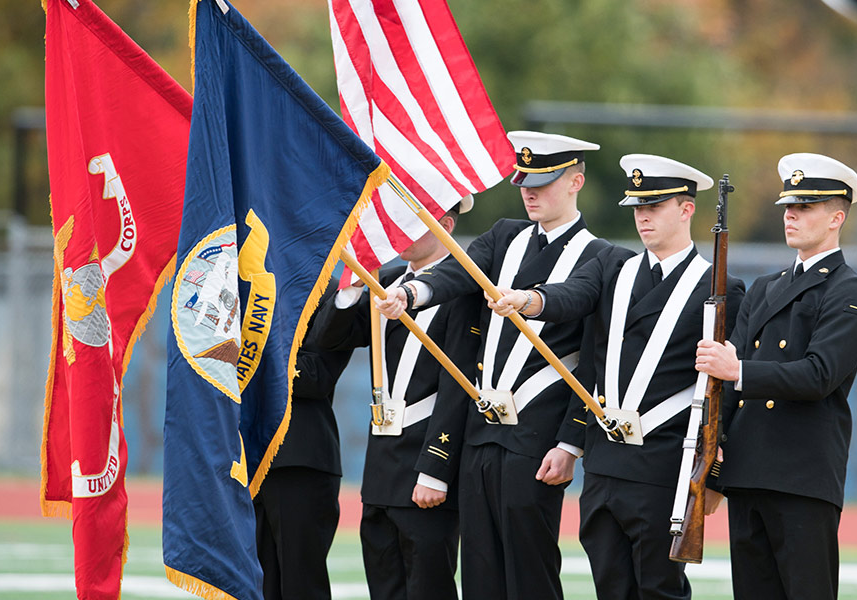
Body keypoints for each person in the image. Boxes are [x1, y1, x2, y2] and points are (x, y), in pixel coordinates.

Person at [490, 154, 745, 600]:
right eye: (637, 208)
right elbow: (573, 295)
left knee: (658, 589)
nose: (642, 217)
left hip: (664, 465)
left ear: (687, 210)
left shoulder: (719, 287)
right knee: (610, 585)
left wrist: (714, 477)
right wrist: (532, 300)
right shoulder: (614, 266)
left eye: (655, 207)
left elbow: (722, 394)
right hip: (606, 463)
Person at [377, 131, 611, 600]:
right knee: (481, 573)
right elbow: (456, 269)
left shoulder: (602, 255)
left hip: (537, 437)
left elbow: (577, 308)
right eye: (525, 181)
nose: (530, 191)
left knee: (529, 571)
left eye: (543, 182)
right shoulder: (506, 235)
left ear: (576, 182)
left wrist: (570, 442)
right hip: (481, 431)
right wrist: (411, 293)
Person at [696, 153, 857, 600]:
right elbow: (727, 394)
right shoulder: (765, 287)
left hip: (801, 477)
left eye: (805, 207)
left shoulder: (850, 290)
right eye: (788, 207)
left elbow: (819, 375)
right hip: (747, 472)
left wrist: (738, 369)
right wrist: (714, 474)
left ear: (836, 217)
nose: (790, 215)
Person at [311, 199, 479, 600]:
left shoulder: (461, 290)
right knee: (384, 585)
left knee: (427, 587)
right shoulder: (382, 279)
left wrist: (436, 471)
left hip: (426, 458)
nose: (400, 230)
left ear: (446, 225)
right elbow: (328, 339)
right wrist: (351, 287)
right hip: (382, 461)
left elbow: (457, 390)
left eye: (413, 222)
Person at [253, 278, 354, 600]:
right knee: (252, 585)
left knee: (300, 586)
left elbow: (315, 376)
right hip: (245, 458)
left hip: (297, 458)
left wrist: (250, 352)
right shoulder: (246, 284)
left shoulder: (329, 292)